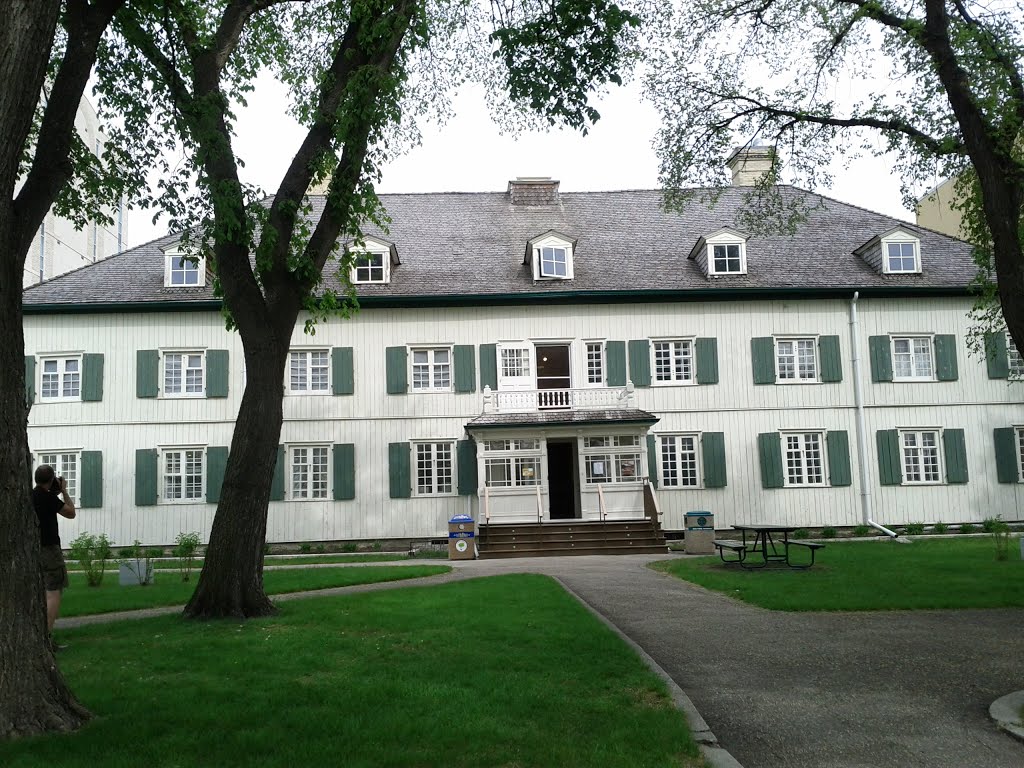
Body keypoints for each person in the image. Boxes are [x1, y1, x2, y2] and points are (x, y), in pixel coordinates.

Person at [33, 464, 76, 651]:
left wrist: (54, 492)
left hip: (33, 549)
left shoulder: (32, 495)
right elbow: (70, 513)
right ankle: (46, 638)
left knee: (42, 591)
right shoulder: (48, 498)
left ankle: (39, 634)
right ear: (51, 480)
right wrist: (64, 491)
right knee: (53, 592)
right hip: (49, 549)